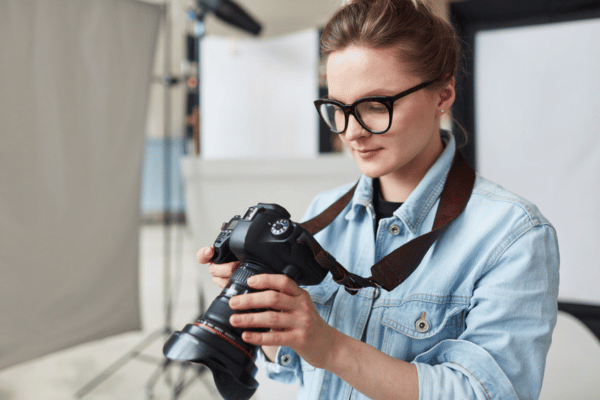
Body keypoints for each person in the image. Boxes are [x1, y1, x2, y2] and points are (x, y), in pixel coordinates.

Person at [197, 0, 560, 399]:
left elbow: (484, 394)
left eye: (376, 105)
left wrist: (332, 347)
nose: (352, 132)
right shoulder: (324, 213)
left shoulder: (513, 236)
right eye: (338, 108)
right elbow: (297, 381)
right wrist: (264, 314)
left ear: (443, 93)